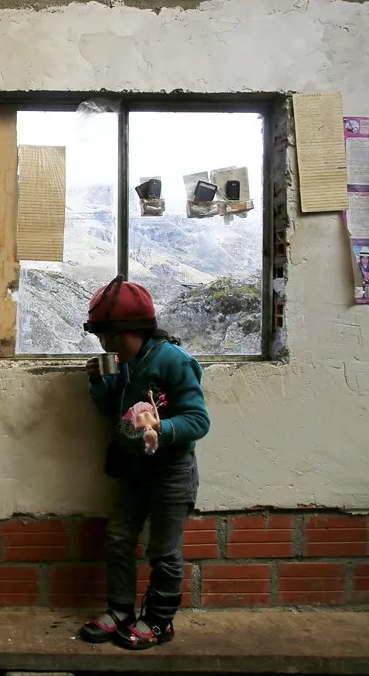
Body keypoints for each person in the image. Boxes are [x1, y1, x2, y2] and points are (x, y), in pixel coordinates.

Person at [78, 275, 210, 651]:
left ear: (135, 330)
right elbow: (110, 410)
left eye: (113, 338)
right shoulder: (126, 363)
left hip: (171, 472)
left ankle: (158, 619)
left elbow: (199, 421)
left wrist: (161, 428)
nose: (108, 346)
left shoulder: (173, 361)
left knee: (163, 550)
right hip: (133, 470)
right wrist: (100, 384)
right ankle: (120, 608)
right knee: (120, 538)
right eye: (103, 340)